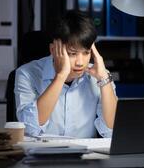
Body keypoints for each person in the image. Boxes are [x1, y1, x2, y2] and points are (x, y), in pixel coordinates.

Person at [14, 10, 117, 138]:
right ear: (53, 49)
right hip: (43, 154)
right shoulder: (26, 74)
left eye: (86, 53)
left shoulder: (101, 75)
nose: (80, 62)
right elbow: (30, 129)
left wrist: (103, 79)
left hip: (86, 156)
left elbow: (111, 131)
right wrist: (60, 76)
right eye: (72, 53)